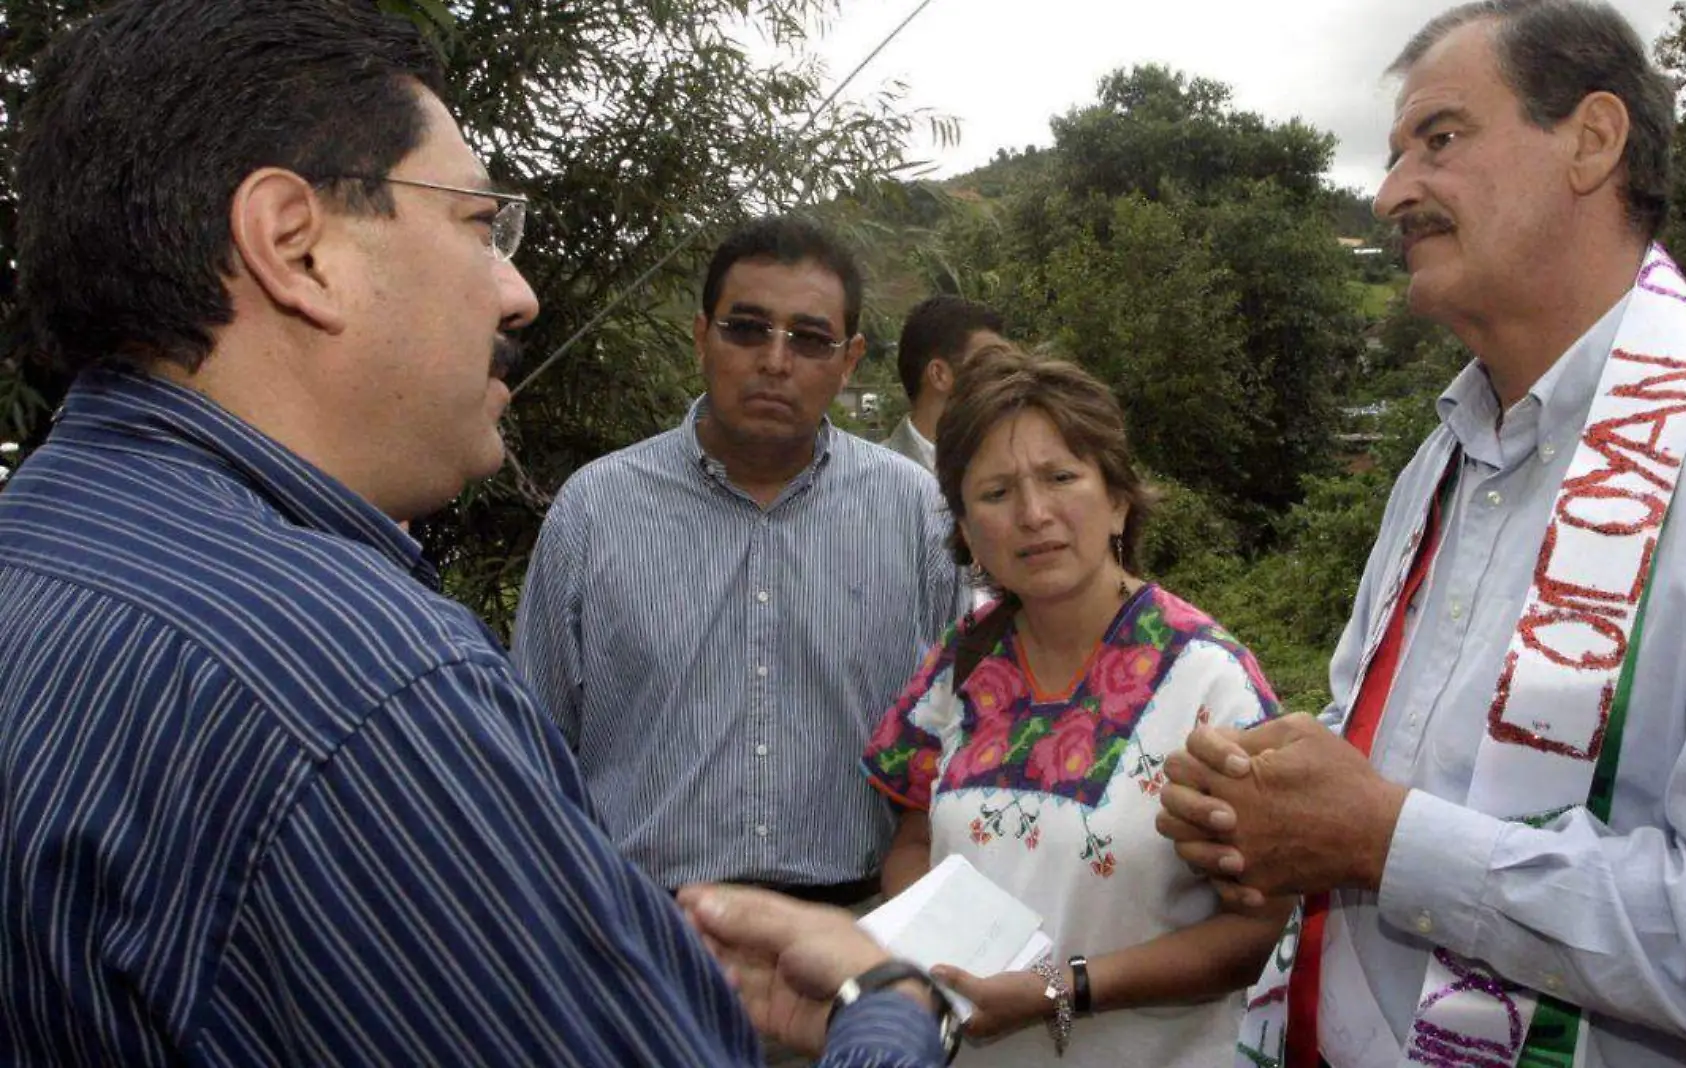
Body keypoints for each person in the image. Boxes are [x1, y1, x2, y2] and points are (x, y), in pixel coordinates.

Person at [0, 3, 958, 1064]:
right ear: (293, 244)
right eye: (477, 224)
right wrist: (887, 1004)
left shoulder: (42, 548)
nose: (518, 292)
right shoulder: (368, 693)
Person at [1155, 2, 1686, 1066]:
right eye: (1394, 154)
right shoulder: (1442, 460)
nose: (1390, 192)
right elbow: (1401, 757)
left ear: (1593, 141)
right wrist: (1270, 797)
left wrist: (1382, 840)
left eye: (1440, 138)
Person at [512, 216, 961, 904]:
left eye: (810, 339)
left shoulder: (915, 512)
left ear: (849, 359)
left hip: (859, 925)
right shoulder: (595, 512)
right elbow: (531, 755)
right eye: (747, 329)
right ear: (701, 336)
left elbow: (961, 729)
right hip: (644, 936)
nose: (775, 362)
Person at [863, 347, 1284, 1067]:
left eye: (1061, 477)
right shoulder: (959, 666)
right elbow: (911, 839)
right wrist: (927, 952)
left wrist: (1060, 988)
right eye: (995, 493)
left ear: (1117, 497)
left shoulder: (1212, 684)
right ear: (964, 528)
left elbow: (1259, 929)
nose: (1033, 514)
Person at [883, 295, 1008, 471]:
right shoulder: (870, 481)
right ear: (939, 374)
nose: (1010, 375)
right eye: (992, 361)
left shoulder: (1013, 467)